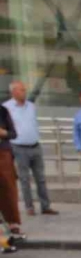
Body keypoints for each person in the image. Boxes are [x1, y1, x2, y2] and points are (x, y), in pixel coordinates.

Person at [4, 81, 58, 217]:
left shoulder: (31, 106)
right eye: (22, 90)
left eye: (24, 90)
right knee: (24, 179)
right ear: (14, 92)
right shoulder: (6, 108)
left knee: (41, 178)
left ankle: (45, 206)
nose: (24, 92)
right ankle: (29, 207)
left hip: (35, 146)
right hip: (19, 147)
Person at [0, 97, 22, 237]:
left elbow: (13, 134)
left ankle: (12, 222)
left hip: (3, 154)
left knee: (8, 188)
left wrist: (3, 133)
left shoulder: (2, 111)